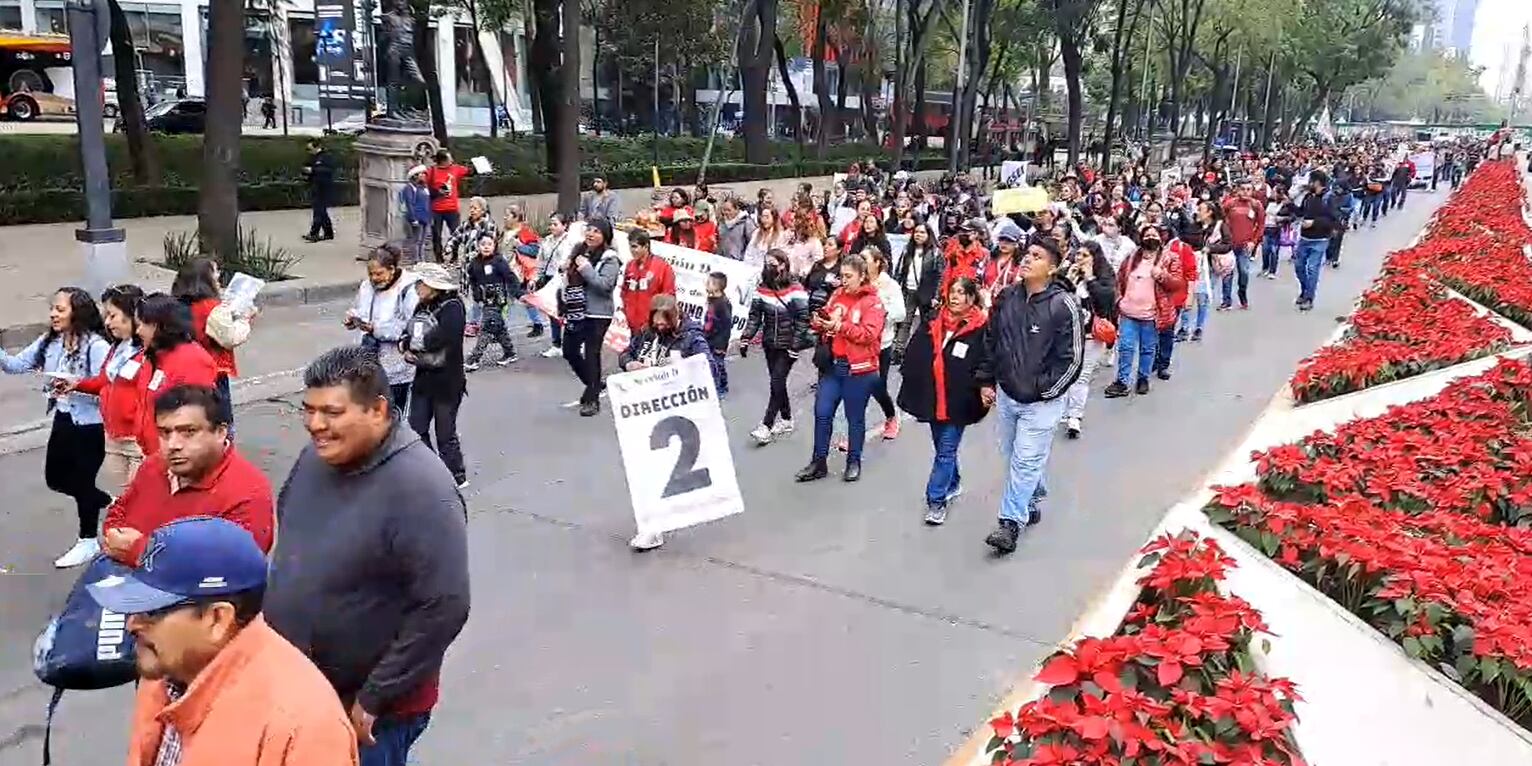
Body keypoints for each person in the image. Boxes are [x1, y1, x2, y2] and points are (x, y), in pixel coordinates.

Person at [268, 347, 470, 766]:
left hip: (370, 710)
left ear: (378, 410)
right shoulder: (314, 459)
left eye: (331, 412)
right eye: (308, 410)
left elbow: (444, 606)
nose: (315, 425)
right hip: (302, 690)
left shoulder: (422, 489)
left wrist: (375, 696)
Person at [89, 517, 359, 766]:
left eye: (152, 611)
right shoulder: (165, 668)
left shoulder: (306, 729)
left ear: (218, 619)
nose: (132, 623)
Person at [978, 238, 1084, 555]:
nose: (1026, 260)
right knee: (1014, 456)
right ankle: (1032, 496)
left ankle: (1009, 524)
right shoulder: (1007, 297)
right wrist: (986, 380)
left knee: (1024, 462)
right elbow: (990, 340)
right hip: (1008, 396)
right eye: (1027, 255)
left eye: (1036, 257)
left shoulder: (1063, 305)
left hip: (1042, 402)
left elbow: (1073, 360)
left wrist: (1044, 390)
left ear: (1052, 267)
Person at [100, 383, 273, 565]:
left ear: (221, 432)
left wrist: (141, 551)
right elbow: (121, 510)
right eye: (165, 432)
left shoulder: (247, 495)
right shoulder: (154, 465)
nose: (173, 445)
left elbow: (233, 570)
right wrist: (114, 537)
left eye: (189, 432)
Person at [1, 287, 112, 567]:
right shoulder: (50, 341)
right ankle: (103, 499)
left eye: (60, 309)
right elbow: (15, 365)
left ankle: (88, 540)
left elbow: (110, 387)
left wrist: (77, 385)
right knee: (56, 478)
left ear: (78, 312)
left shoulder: (96, 346)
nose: (53, 314)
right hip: (63, 418)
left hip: (91, 424)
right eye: (53, 308)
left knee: (83, 481)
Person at [897, 277, 992, 525]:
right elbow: (915, 354)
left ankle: (936, 501)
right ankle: (954, 481)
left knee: (946, 450)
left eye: (961, 293)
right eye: (952, 292)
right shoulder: (932, 321)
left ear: (972, 298)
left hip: (960, 400)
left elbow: (987, 361)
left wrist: (985, 385)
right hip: (932, 397)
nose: (955, 297)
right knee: (942, 448)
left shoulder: (982, 327)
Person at [796, 253, 886, 484]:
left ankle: (853, 461)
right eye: (842, 275)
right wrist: (819, 322)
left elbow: (869, 335)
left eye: (849, 276)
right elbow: (825, 320)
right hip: (833, 365)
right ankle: (819, 461)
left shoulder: (873, 303)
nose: (844, 280)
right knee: (822, 412)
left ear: (862, 276)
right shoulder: (837, 295)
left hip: (858, 369)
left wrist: (840, 326)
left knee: (854, 417)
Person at [69, 285, 146, 492]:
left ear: (132, 316)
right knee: (121, 498)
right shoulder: (116, 348)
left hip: (138, 441)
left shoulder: (148, 352)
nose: (107, 322)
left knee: (140, 499)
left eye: (113, 315)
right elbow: (104, 381)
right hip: (113, 437)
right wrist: (76, 384)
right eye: (106, 316)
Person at [400, 262, 469, 487]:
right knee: (416, 428)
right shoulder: (422, 307)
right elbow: (408, 331)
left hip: (447, 381)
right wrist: (406, 343)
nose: (417, 287)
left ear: (433, 285)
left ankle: (456, 475)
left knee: (445, 433)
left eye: (421, 283)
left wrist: (415, 345)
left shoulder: (453, 306)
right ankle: (432, 471)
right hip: (423, 378)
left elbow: (443, 338)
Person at [136, 293, 221, 455]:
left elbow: (196, 419)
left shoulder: (193, 360)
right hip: (152, 452)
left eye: (143, 324)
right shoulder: (153, 355)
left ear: (160, 326)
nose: (138, 330)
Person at [741, 250, 810, 444]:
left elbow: (803, 319)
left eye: (773, 263)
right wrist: (746, 337)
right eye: (767, 263)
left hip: (789, 345)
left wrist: (796, 345)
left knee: (776, 382)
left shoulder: (796, 288)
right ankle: (787, 419)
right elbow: (755, 317)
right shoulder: (761, 288)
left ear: (783, 265)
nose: (769, 267)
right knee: (777, 382)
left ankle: (766, 425)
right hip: (770, 343)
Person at [1105, 226, 1182, 398]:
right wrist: (1119, 300)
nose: (1150, 237)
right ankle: (1122, 381)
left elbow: (1177, 284)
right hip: (1128, 313)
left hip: (1152, 315)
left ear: (1161, 238)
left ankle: (1143, 378)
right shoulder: (1132, 257)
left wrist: (1162, 275)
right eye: (1147, 235)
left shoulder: (1170, 258)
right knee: (1125, 347)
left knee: (1147, 349)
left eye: (1154, 235)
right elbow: (1119, 279)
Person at [173, 258, 249, 431]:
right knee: (219, 420)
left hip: (183, 370)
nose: (218, 277)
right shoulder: (211, 307)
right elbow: (230, 338)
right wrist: (244, 320)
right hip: (213, 371)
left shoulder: (176, 305)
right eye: (215, 272)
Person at [347, 244, 419, 409]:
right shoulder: (366, 286)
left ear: (392, 269)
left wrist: (376, 329)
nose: (374, 278)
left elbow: (408, 327)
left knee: (392, 413)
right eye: (371, 274)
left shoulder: (408, 289)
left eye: (379, 273)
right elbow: (361, 310)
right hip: (368, 363)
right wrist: (353, 319)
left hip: (396, 366)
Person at [563, 218, 622, 416]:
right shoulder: (579, 249)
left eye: (597, 231)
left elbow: (605, 286)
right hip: (576, 310)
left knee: (591, 353)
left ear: (605, 236)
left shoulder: (610, 258)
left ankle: (592, 399)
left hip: (598, 312)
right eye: (589, 230)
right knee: (569, 350)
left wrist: (586, 268)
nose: (591, 234)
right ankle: (594, 384)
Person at [1060, 240, 1116, 439]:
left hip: (1091, 335)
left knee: (1082, 376)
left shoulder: (1103, 277)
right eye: (1078, 254)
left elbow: (1105, 301)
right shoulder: (1070, 273)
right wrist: (1068, 277)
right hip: (1067, 334)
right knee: (1065, 373)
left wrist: (1090, 277)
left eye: (1085, 255)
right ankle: (1064, 410)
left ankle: (1075, 416)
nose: (1080, 259)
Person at [464, 233, 521, 370]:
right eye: (483, 244)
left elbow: (510, 277)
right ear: (478, 246)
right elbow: (472, 279)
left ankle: (474, 359)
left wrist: (518, 293)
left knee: (486, 328)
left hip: (498, 299)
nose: (486, 247)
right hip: (485, 300)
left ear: (494, 246)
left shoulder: (499, 261)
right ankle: (510, 353)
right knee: (499, 328)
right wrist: (476, 295)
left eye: (489, 244)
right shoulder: (474, 263)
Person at [867, 247, 906, 441]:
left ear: (877, 263)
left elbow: (900, 313)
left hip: (881, 343)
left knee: (877, 386)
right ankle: (854, 432)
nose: (862, 262)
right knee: (855, 389)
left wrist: (876, 312)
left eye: (866, 259)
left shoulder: (890, 285)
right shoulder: (859, 282)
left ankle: (891, 417)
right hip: (858, 343)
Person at [1175, 201, 1227, 342]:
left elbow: (1228, 245)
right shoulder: (1193, 227)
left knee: (1202, 298)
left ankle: (1199, 327)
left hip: (1210, 266)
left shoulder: (1219, 226)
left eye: (1200, 209)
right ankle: (1184, 328)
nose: (1197, 212)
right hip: (1193, 265)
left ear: (1209, 212)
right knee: (1188, 295)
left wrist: (1211, 249)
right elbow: (1184, 239)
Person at [1294, 170, 1340, 312]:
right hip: (1304, 238)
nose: (1309, 184)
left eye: (1311, 181)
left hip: (1320, 239)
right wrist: (1289, 204)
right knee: (1299, 266)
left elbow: (1333, 219)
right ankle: (1305, 290)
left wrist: (1313, 223)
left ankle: (1309, 298)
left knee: (1312, 268)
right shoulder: (1308, 196)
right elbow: (1301, 212)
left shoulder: (1329, 198)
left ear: (1317, 182)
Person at [534, 212, 578, 358]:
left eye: (555, 224)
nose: (552, 227)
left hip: (564, 280)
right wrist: (536, 278)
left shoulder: (570, 242)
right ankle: (556, 343)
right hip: (548, 278)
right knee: (552, 312)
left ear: (564, 226)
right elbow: (540, 261)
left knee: (570, 312)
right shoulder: (546, 241)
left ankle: (574, 343)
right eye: (551, 224)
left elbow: (569, 261)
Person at [621, 229, 678, 336]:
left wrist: (657, 321)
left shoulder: (662, 267)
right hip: (633, 326)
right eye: (630, 247)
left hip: (653, 327)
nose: (631, 250)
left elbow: (668, 298)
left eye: (635, 247)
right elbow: (624, 291)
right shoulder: (630, 266)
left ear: (646, 246)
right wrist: (627, 313)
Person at [1219, 181, 1263, 309]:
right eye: (1242, 189)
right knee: (1227, 272)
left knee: (1244, 272)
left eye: (1248, 189)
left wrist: (1253, 241)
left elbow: (1261, 225)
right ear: (1238, 190)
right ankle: (1226, 300)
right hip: (1229, 245)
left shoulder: (1256, 205)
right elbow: (1220, 219)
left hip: (1245, 245)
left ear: (1252, 191)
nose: (1245, 192)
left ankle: (1242, 294)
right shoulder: (1230, 204)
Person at [425, 150, 471, 262]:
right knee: (436, 235)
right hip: (436, 209)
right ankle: (439, 257)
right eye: (449, 159)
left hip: (452, 208)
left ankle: (454, 255)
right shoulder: (432, 171)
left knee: (455, 233)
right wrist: (437, 192)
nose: (452, 161)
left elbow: (469, 171)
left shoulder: (455, 169)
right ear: (443, 161)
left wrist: (479, 165)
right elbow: (426, 190)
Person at [703, 272, 732, 397]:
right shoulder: (712, 300)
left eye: (709, 282)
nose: (706, 284)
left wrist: (722, 345)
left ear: (717, 286)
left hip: (718, 341)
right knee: (711, 362)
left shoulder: (722, 304)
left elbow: (726, 326)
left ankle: (722, 387)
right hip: (710, 337)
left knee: (718, 363)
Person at [302, 138, 336, 242]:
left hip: (323, 187)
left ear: (317, 147)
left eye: (310, 148)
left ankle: (314, 233)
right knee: (321, 211)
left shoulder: (325, 157)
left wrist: (313, 170)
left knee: (319, 211)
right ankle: (328, 232)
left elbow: (328, 170)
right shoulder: (314, 158)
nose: (309, 151)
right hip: (316, 186)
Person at [399, 165, 433, 265]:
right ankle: (416, 260)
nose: (423, 176)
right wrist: (413, 218)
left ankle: (421, 258)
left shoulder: (423, 187)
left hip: (425, 217)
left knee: (423, 240)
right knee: (416, 240)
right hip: (417, 217)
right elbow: (410, 203)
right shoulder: (409, 188)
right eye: (421, 174)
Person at [716, 197, 757, 261]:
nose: (726, 212)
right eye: (724, 210)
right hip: (722, 259)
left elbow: (753, 242)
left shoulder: (746, 223)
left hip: (738, 262)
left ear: (736, 209)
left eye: (729, 210)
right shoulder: (722, 222)